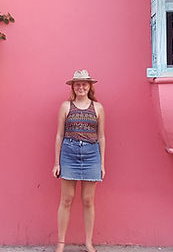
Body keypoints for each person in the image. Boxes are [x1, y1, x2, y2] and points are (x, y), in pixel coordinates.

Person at [52, 69, 105, 252]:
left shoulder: (98, 108)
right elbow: (59, 135)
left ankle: (88, 242)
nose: (81, 87)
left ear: (90, 86)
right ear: (73, 87)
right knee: (66, 199)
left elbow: (101, 136)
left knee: (88, 200)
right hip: (69, 152)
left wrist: (102, 164)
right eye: (77, 84)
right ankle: (60, 243)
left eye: (84, 84)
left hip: (91, 155)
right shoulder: (66, 106)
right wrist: (57, 162)